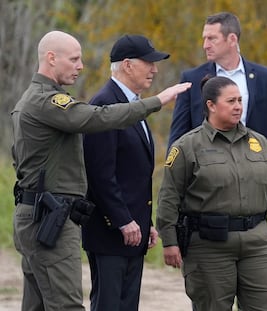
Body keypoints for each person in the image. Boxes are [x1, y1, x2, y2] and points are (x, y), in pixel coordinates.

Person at [11, 30, 191, 311]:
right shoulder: (46, 101)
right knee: (66, 306)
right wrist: (157, 101)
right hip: (50, 217)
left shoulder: (37, 100)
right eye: (74, 59)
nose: (80, 66)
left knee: (38, 306)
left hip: (43, 213)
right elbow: (98, 119)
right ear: (51, 58)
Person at [156, 76, 267, 311]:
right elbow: (169, 198)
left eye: (240, 100)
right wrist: (169, 242)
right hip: (209, 245)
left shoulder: (260, 143)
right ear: (211, 105)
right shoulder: (187, 146)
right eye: (231, 101)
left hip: (257, 243)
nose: (238, 106)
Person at [81, 34, 169, 311]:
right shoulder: (105, 104)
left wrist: (145, 221)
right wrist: (122, 220)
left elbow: (133, 174)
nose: (154, 70)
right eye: (149, 63)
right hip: (110, 234)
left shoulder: (132, 105)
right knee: (108, 306)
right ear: (128, 65)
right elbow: (100, 174)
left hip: (132, 232)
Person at [168, 11, 267, 163]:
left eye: (212, 39)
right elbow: (178, 135)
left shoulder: (266, 78)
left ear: (232, 39)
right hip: (206, 176)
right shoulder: (192, 79)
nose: (205, 45)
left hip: (254, 175)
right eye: (204, 39)